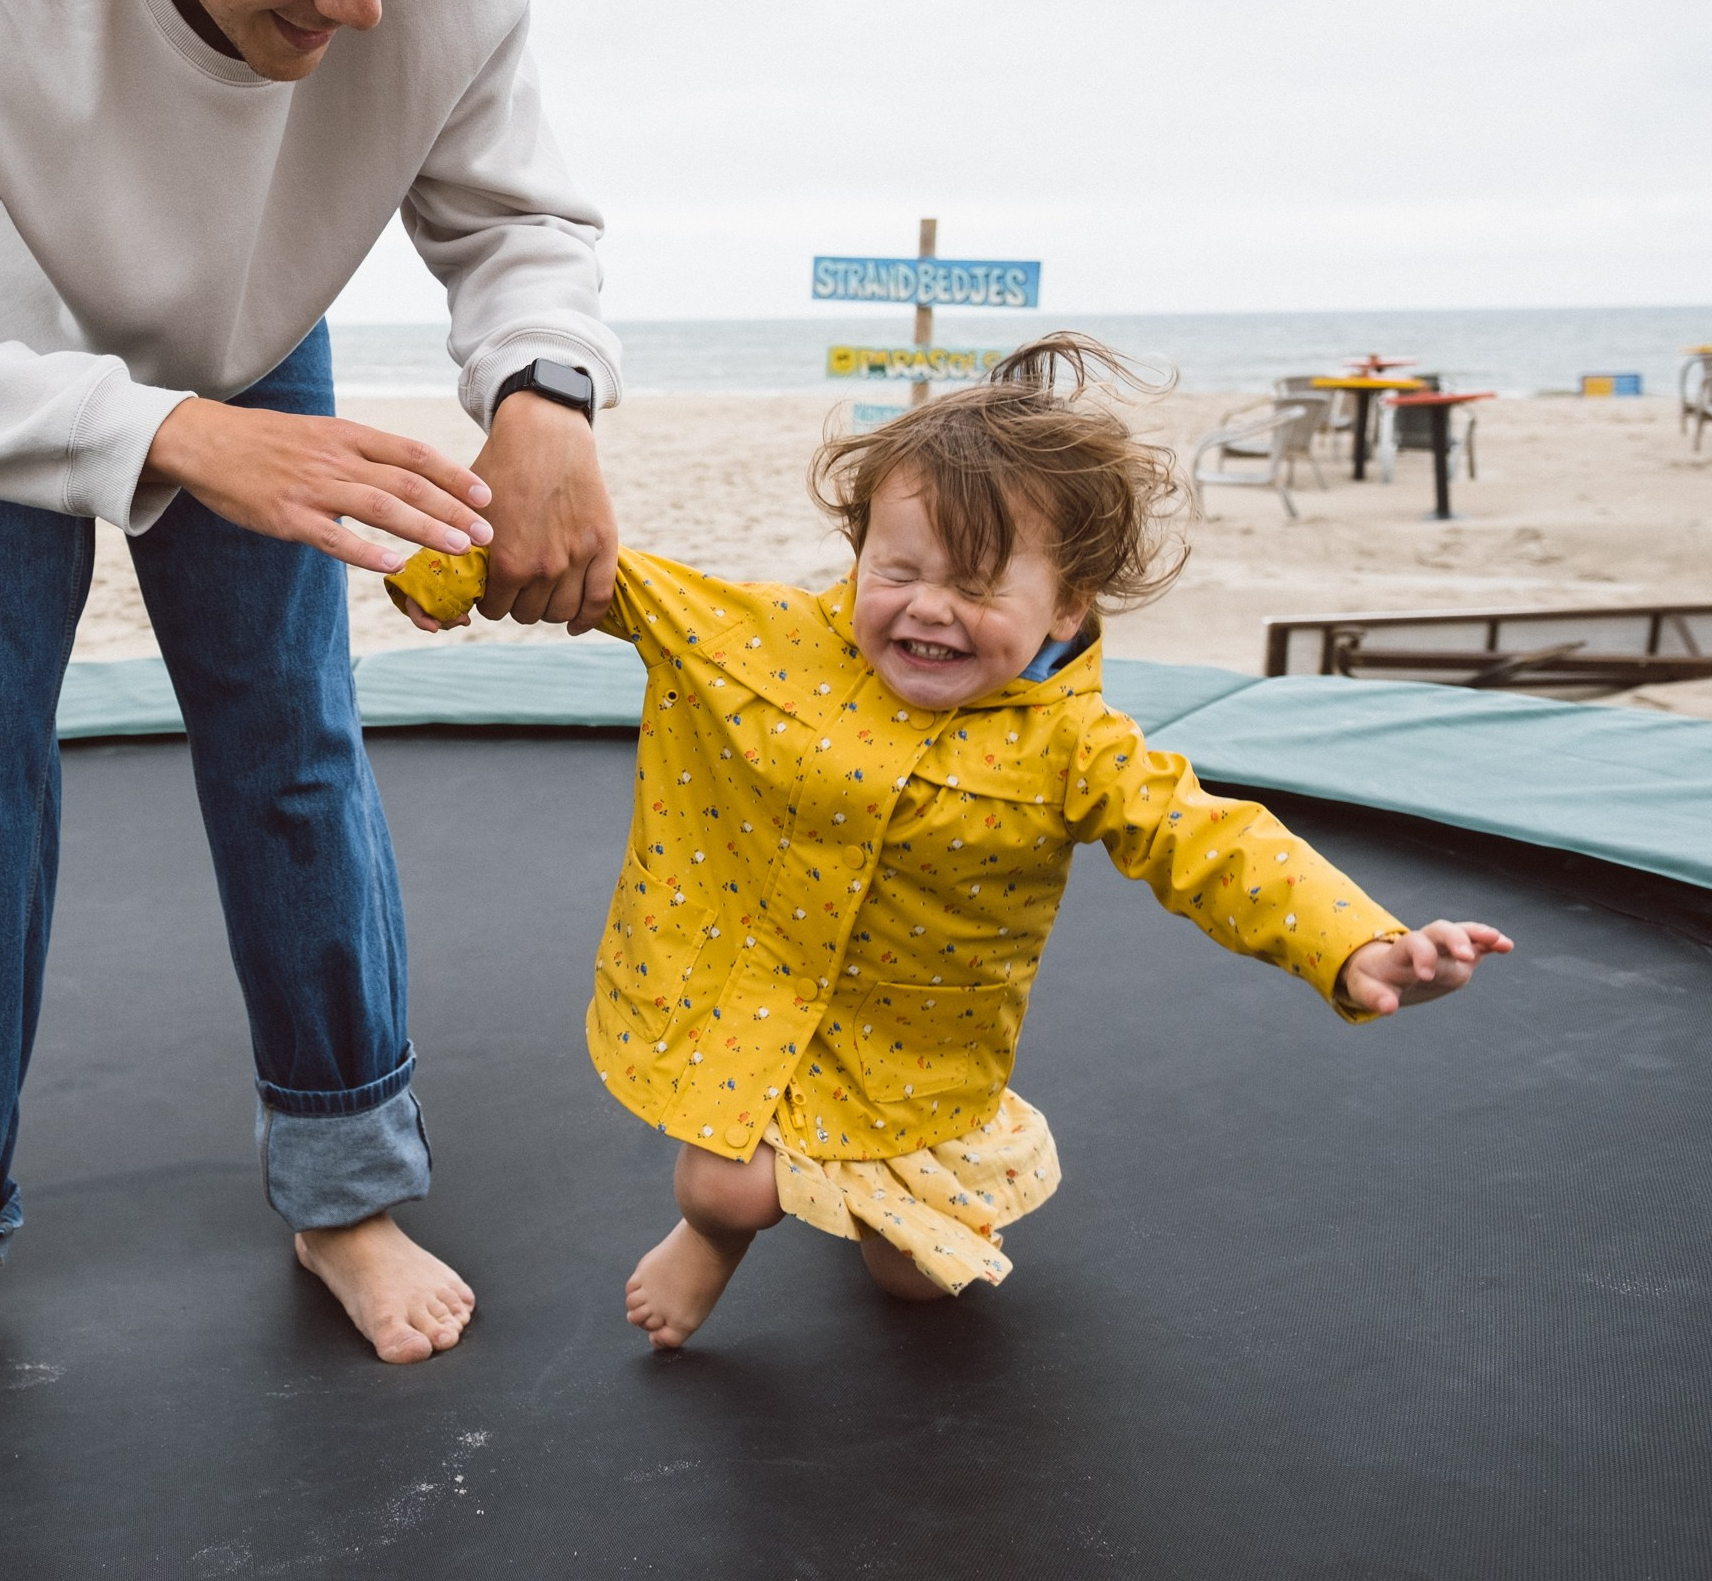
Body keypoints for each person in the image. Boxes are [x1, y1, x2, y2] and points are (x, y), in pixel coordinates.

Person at [0, 0, 623, 1415]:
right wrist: (174, 434)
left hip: (252, 331)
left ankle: (346, 1190)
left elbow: (518, 221)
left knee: (291, 742)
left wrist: (545, 390)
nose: (356, 7)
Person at [388, 334, 1512, 1347]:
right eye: (899, 570)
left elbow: (1208, 841)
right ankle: (711, 1247)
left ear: (1067, 608)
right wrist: (449, 569)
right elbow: (606, 581)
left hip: (913, 1054)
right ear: (860, 550)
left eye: (975, 585)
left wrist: (1353, 944)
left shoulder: (1076, 747)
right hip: (757, 994)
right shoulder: (772, 644)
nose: (927, 607)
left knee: (916, 1282)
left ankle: (875, 1217)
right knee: (725, 1187)